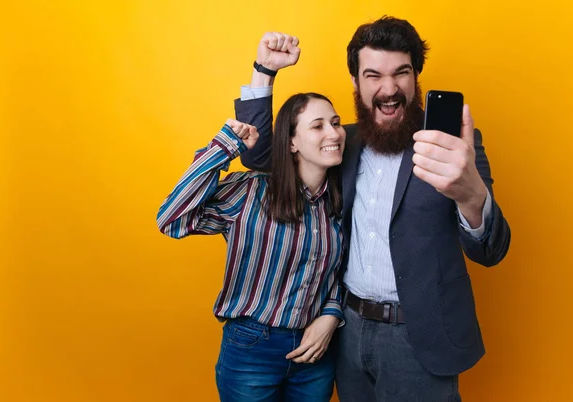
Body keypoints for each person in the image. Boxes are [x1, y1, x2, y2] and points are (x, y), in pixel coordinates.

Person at [236, 17, 511, 402]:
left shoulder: (454, 148)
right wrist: (263, 72)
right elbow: (264, 156)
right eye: (373, 75)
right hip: (346, 333)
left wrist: (471, 196)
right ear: (355, 82)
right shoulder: (340, 141)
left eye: (401, 72)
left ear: (416, 77)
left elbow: (490, 250)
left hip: (420, 339)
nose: (389, 89)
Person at [157, 91, 347, 402]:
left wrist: (331, 313)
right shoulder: (251, 191)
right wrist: (225, 148)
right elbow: (172, 220)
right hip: (252, 350)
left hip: (315, 355)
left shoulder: (338, 200)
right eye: (318, 126)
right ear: (291, 143)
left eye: (336, 123)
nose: (334, 133)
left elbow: (343, 272)